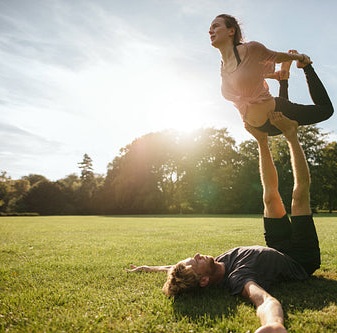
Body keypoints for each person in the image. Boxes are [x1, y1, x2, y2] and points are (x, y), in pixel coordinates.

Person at [127, 112, 321, 333]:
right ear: (203, 281)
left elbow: (172, 268)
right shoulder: (238, 278)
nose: (198, 254)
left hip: (279, 248)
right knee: (299, 196)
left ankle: (262, 141)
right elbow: (264, 300)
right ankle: (291, 135)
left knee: (269, 197)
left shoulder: (215, 263)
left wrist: (148, 268)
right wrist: (273, 325)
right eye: (196, 262)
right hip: (301, 259)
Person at [210, 14, 333, 136]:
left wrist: (300, 58)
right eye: (210, 28)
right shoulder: (223, 66)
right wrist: (272, 76)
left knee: (326, 110)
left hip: (277, 112)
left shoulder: (251, 49)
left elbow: (276, 56)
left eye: (215, 26)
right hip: (263, 128)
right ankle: (283, 78)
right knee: (282, 106)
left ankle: (306, 68)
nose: (210, 31)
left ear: (231, 31)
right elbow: (246, 76)